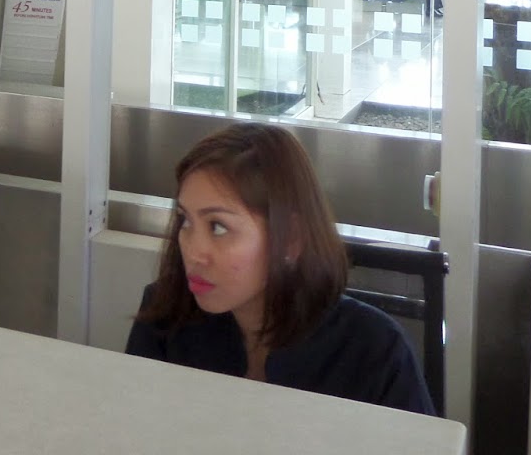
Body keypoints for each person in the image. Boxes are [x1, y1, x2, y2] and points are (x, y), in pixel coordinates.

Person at [125, 122, 434, 415]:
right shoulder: (166, 315)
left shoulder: (375, 352)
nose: (193, 251)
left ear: (291, 239)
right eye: (185, 221)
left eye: (218, 227)